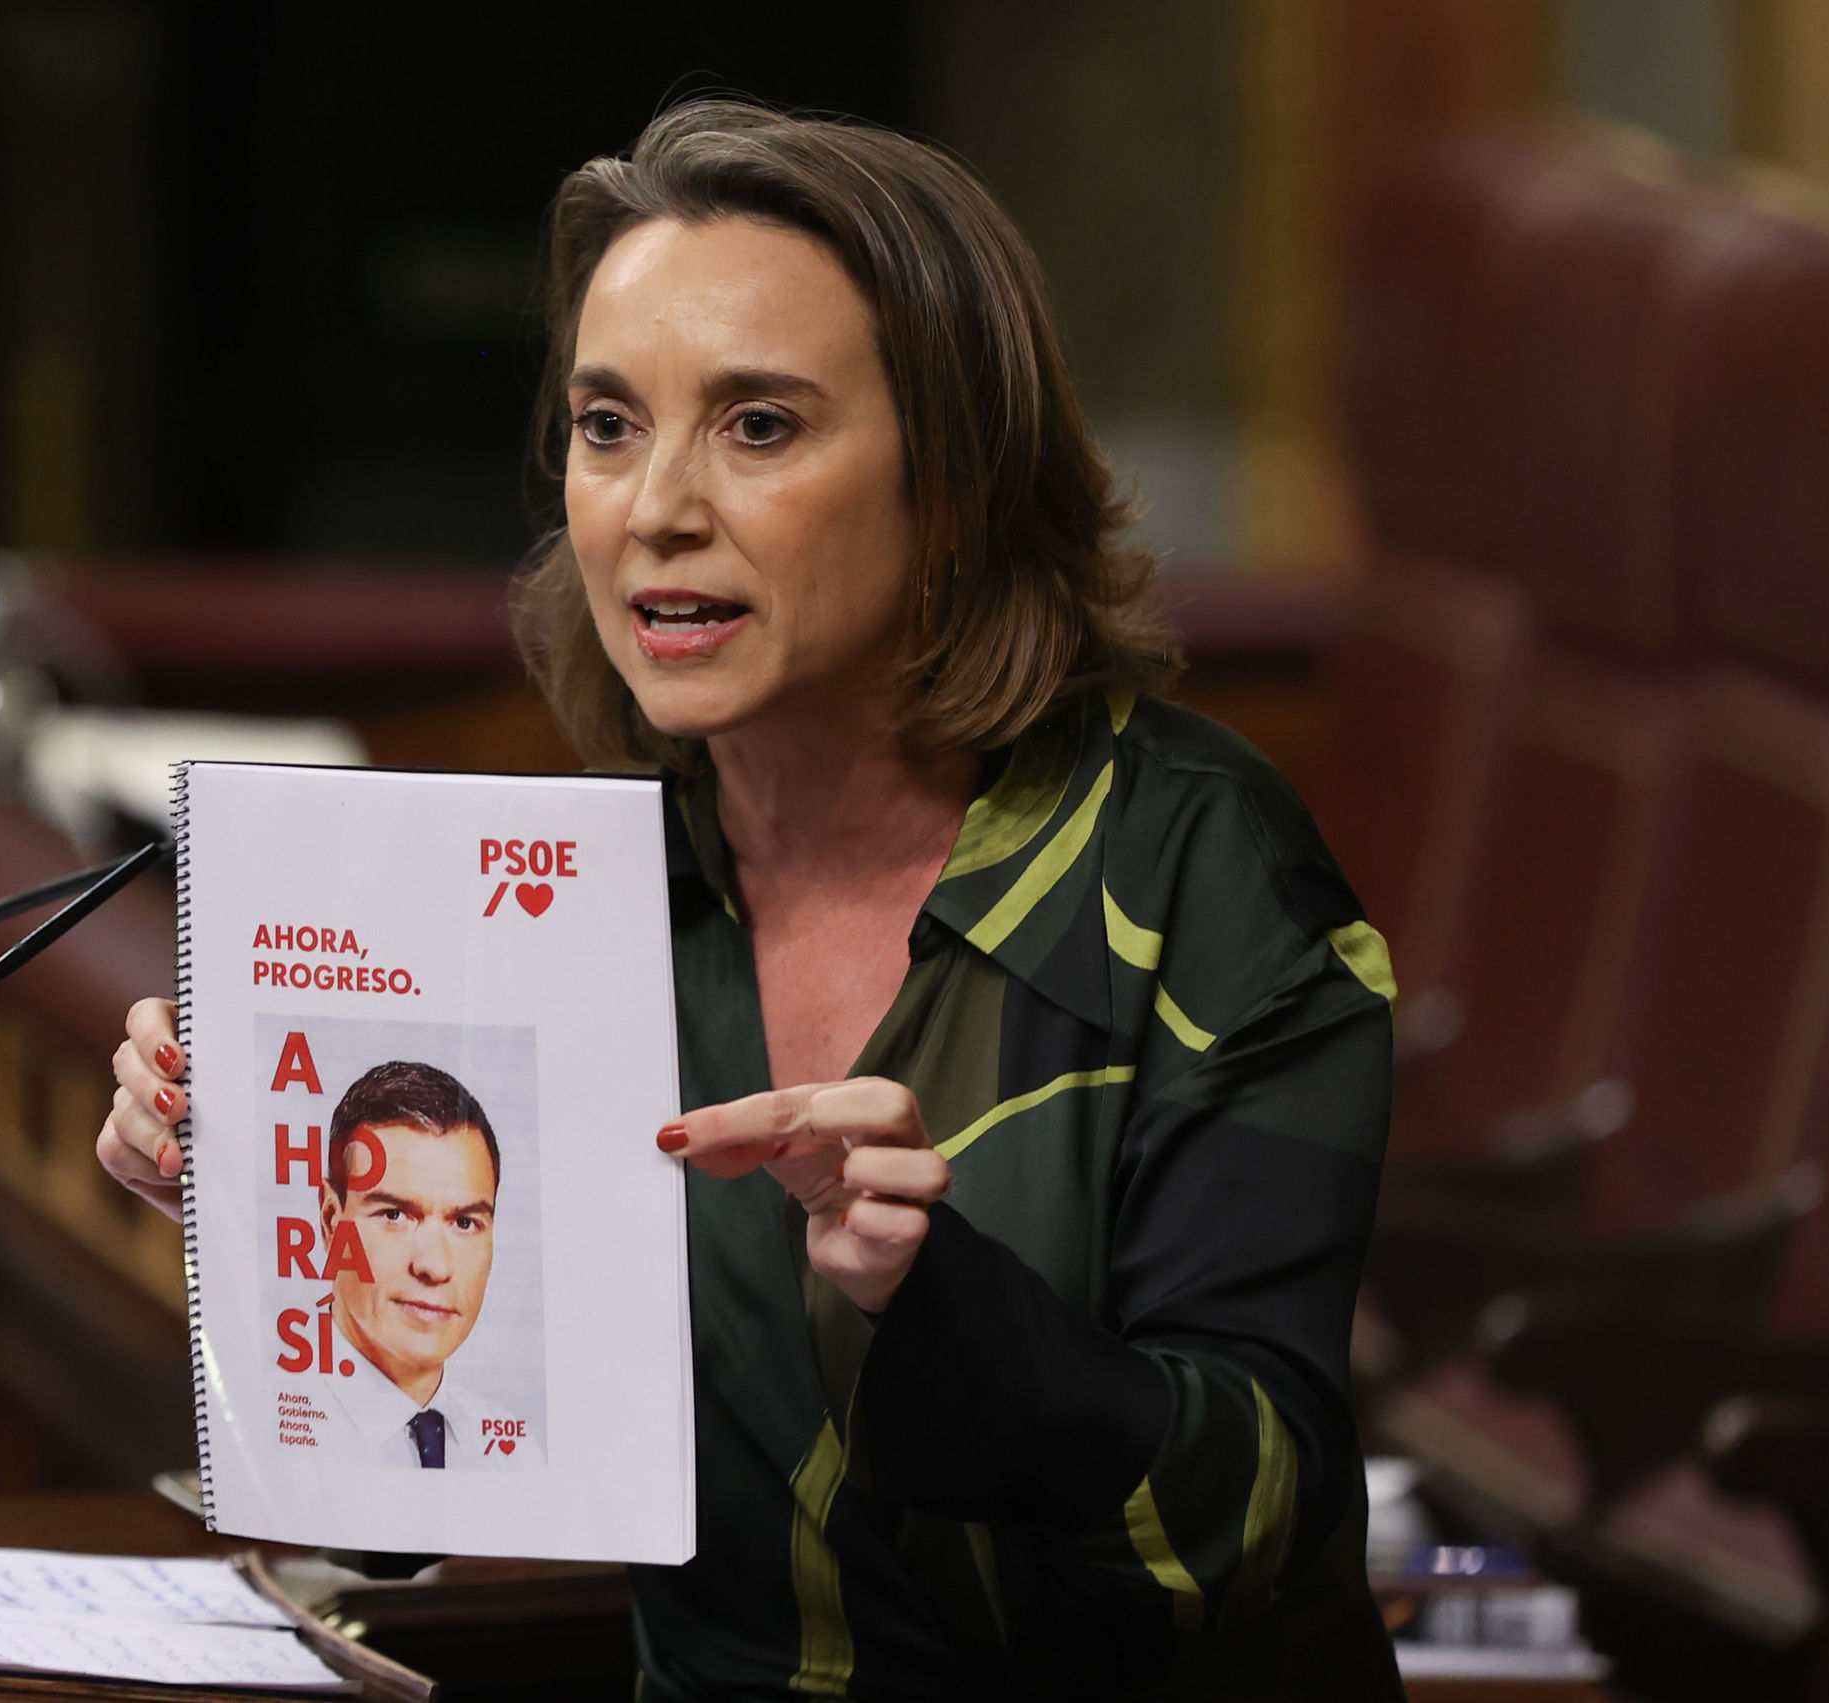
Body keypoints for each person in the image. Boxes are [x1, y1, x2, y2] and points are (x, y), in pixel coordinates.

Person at [103, 99, 1401, 1700]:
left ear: (956, 476)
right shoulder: (579, 900)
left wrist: (939, 1300)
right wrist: (271, 1230)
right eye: (607, 424)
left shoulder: (1189, 865)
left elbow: (1248, 1522)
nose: (656, 506)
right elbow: (433, 1486)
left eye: (760, 425)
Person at [303, 1060, 543, 1471]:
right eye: (394, 1215)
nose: (433, 1266)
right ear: (330, 1220)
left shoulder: (516, 1457)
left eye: (464, 1223)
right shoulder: (263, 1427)